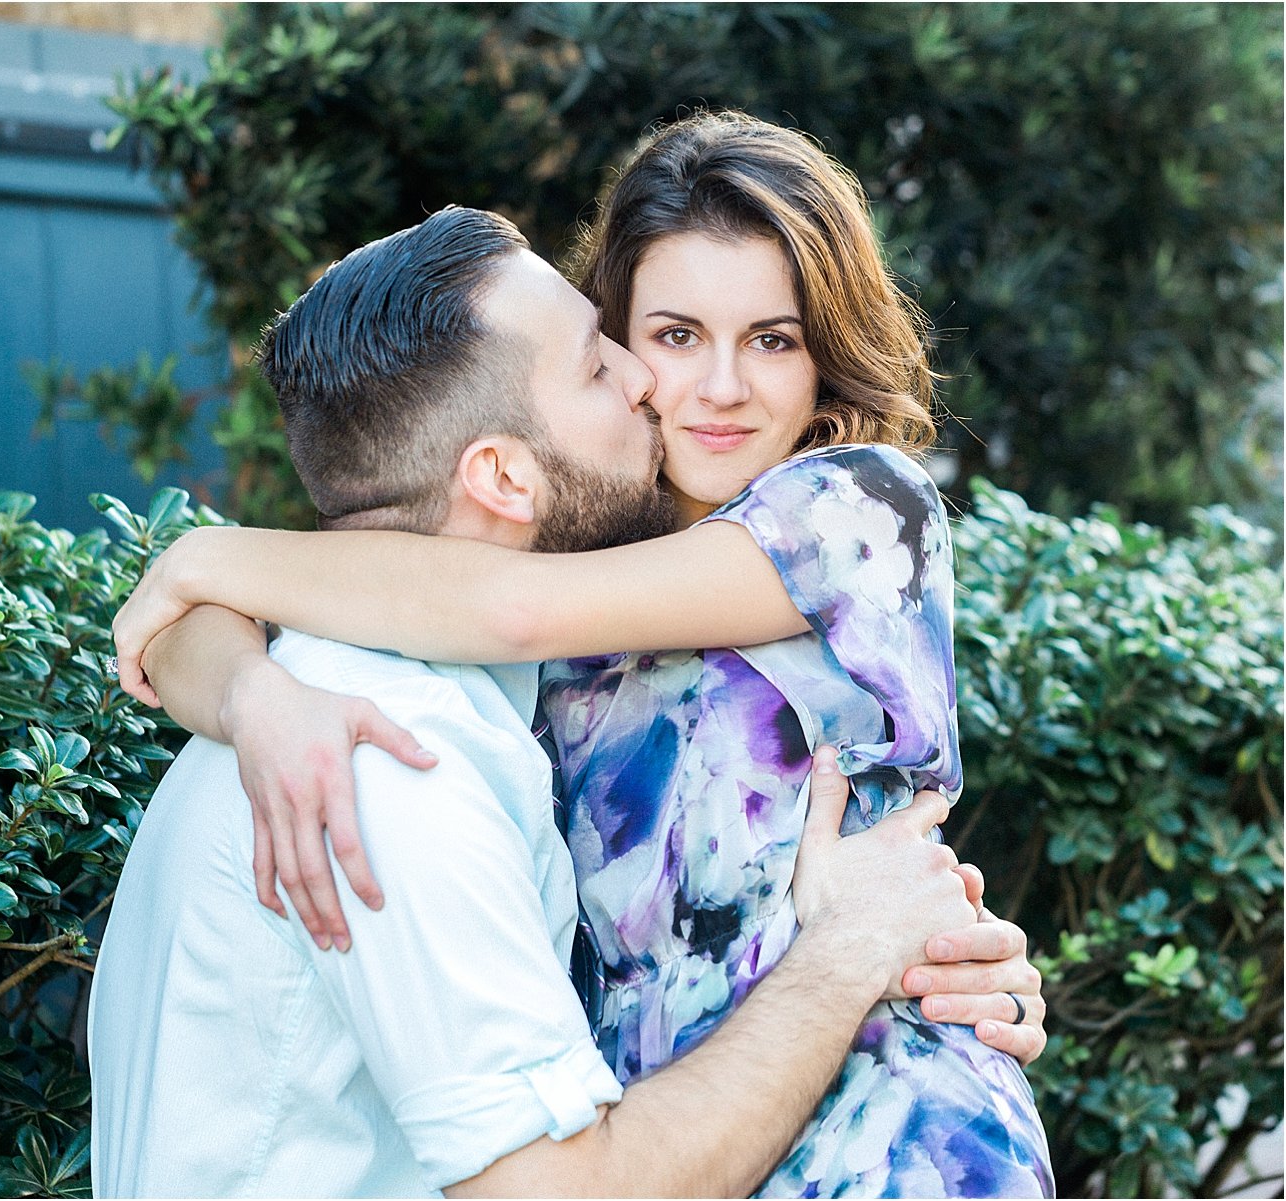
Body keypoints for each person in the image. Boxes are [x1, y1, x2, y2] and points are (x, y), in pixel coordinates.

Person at [114, 113, 1056, 1197]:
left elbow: (510, 606)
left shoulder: (853, 509)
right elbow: (304, 612)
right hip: (667, 1131)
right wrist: (254, 697)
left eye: (774, 339)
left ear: (824, 355)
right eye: (673, 335)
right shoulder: (581, 534)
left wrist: (208, 551)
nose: (717, 389)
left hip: (880, 1125)